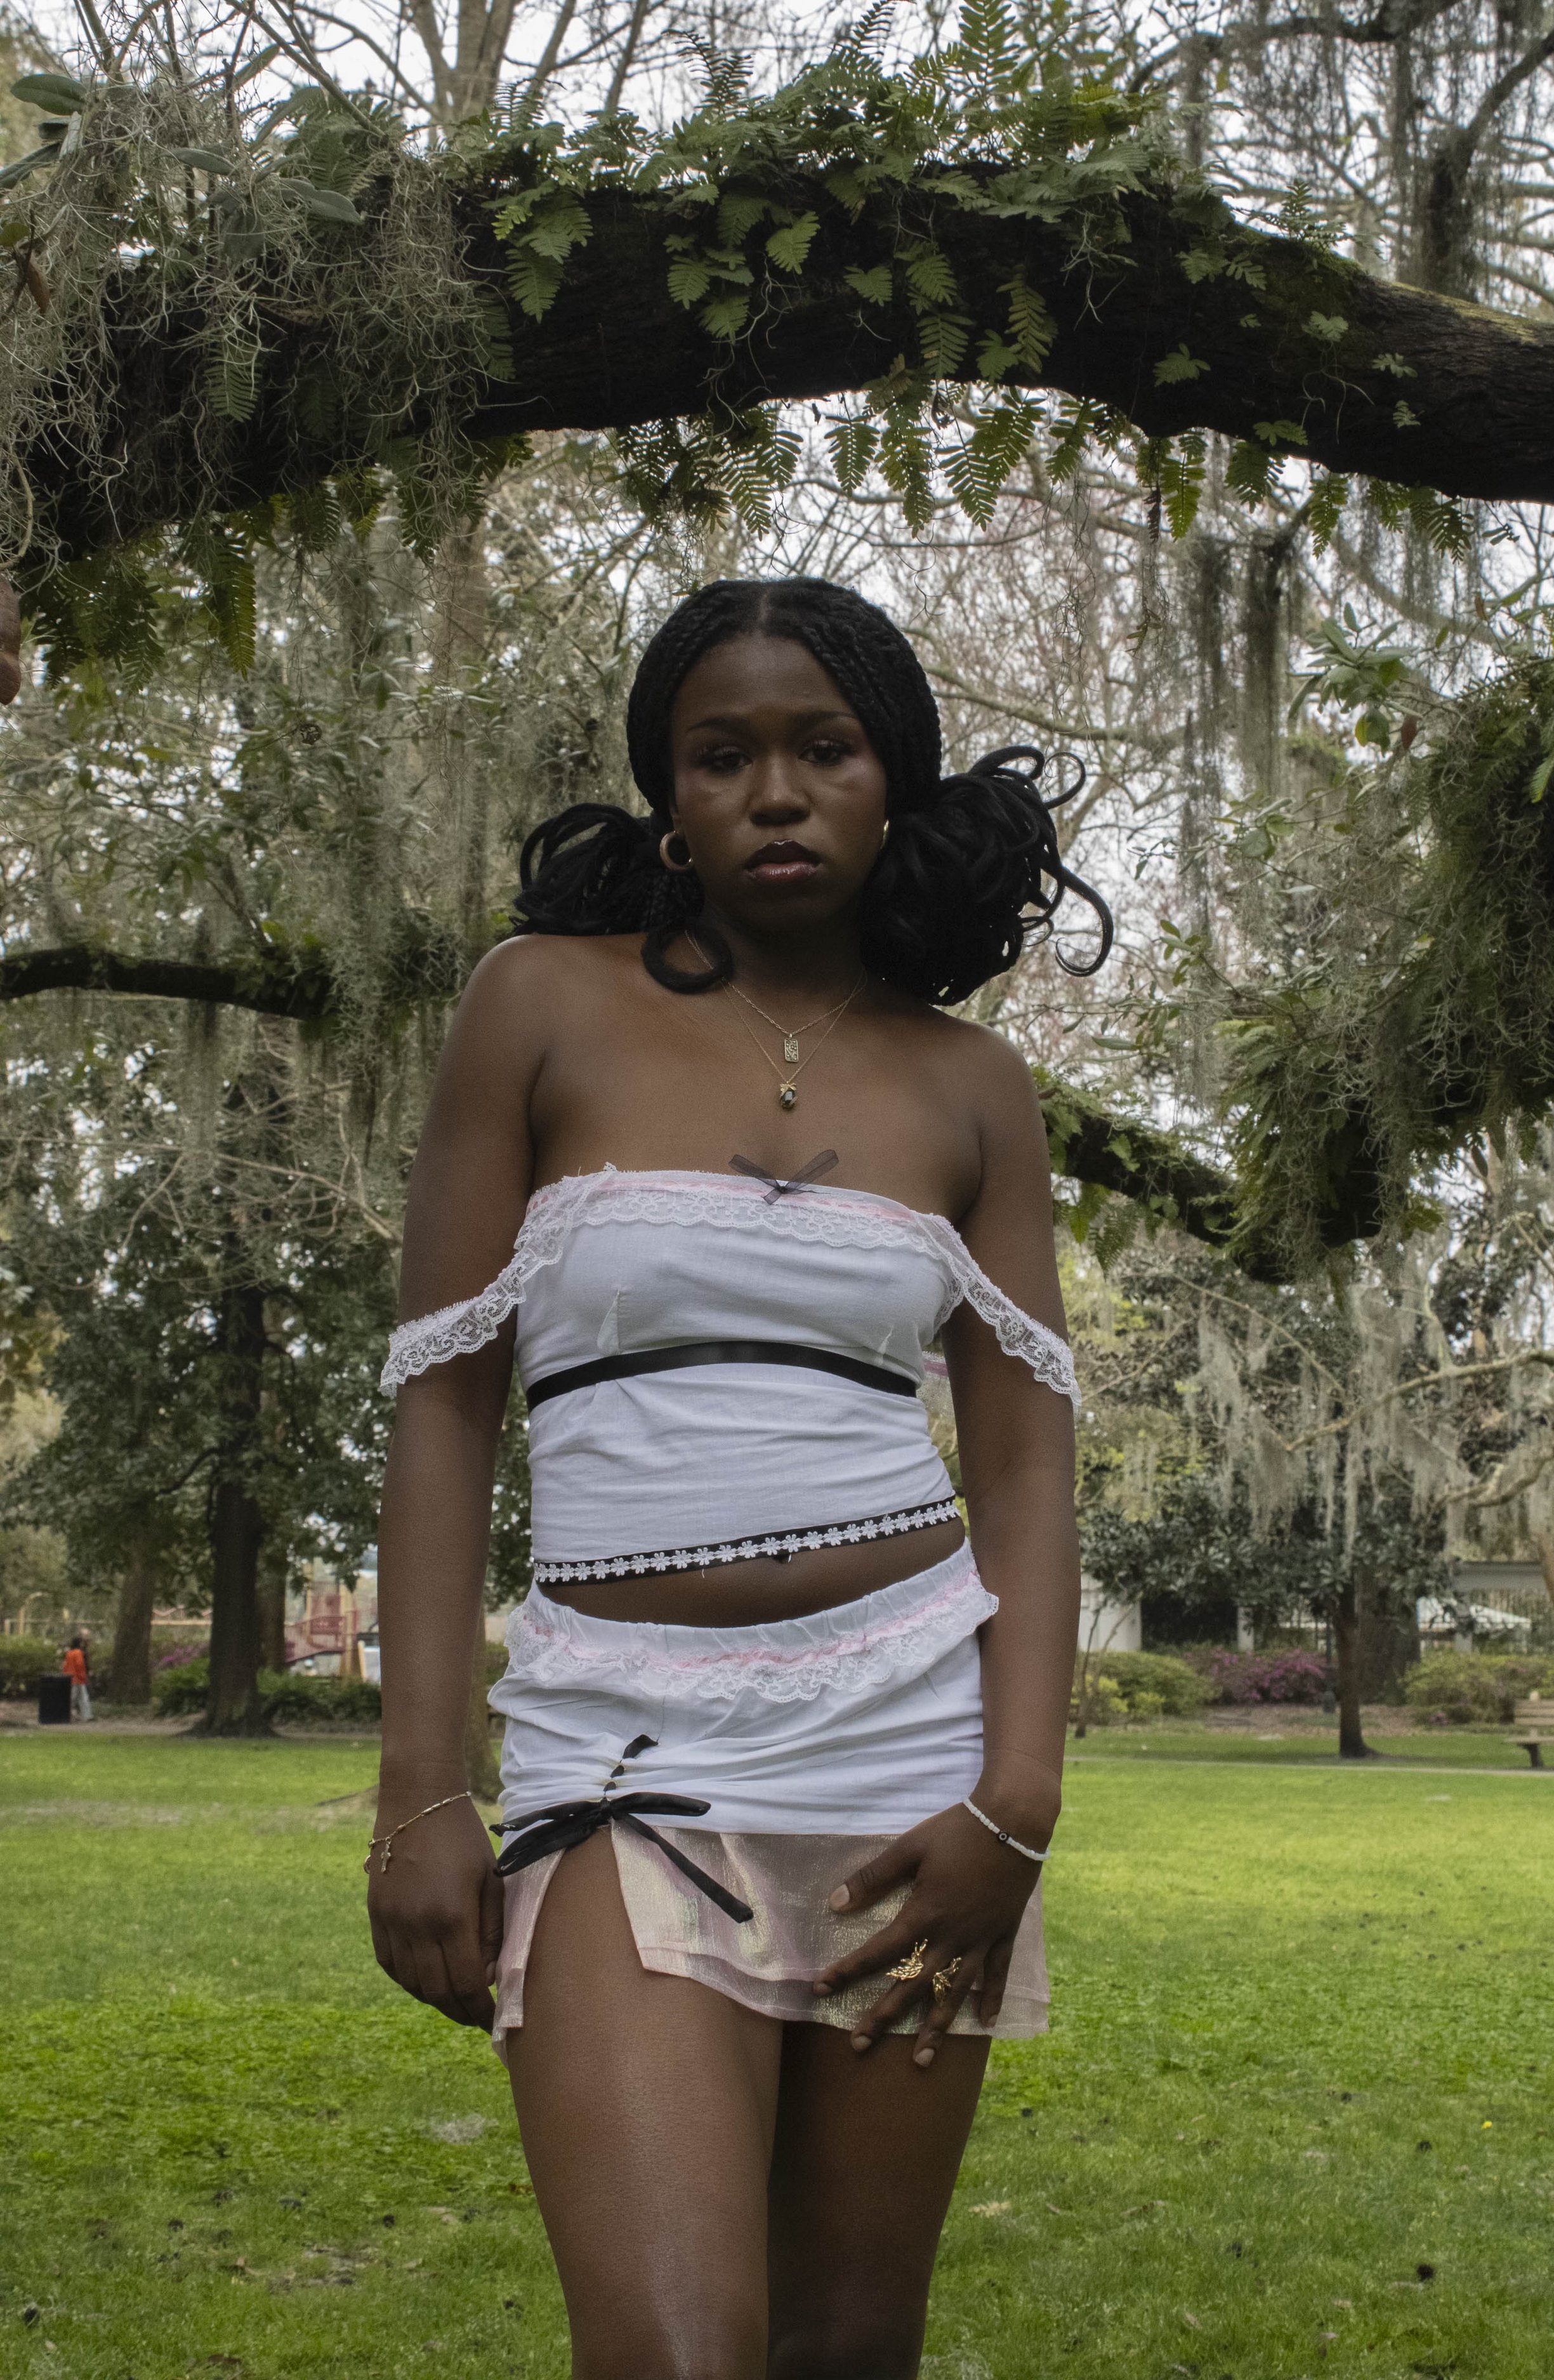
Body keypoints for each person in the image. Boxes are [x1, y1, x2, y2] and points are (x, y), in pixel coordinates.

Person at [369, 577, 1111, 2380]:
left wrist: (1015, 1797)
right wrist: (419, 1791)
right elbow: (443, 1403)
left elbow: (1021, 1462)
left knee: (845, 2346)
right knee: (679, 2352)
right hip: (616, 1749)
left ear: (890, 781)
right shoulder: (538, 1006)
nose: (774, 791)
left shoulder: (972, 1086)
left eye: (820, 749)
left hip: (909, 1752)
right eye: (724, 756)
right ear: (669, 801)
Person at [63, 1633, 92, 1722]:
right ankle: (87, 1716)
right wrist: (83, 1677)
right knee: (83, 1697)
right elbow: (80, 1666)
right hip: (78, 1679)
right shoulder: (78, 1653)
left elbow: (65, 1666)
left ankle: (70, 1714)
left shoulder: (69, 1653)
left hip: (70, 1678)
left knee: (72, 1698)